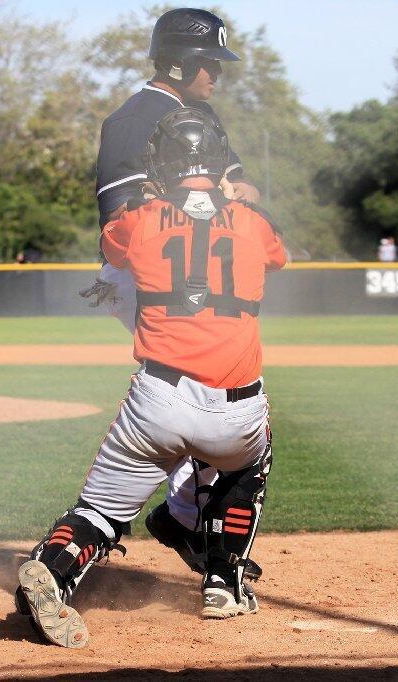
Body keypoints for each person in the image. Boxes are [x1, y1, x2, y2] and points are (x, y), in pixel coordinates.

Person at [17, 108, 286, 648]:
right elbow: (276, 256)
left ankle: (55, 565)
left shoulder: (139, 219)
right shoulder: (254, 223)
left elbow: (112, 244)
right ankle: (223, 581)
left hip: (158, 399)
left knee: (100, 510)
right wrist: (236, 200)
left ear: (160, 166)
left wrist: (148, 200)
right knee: (246, 466)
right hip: (237, 408)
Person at [83, 7, 263, 584]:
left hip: (182, 264)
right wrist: (218, 198)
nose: (217, 72)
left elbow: (245, 190)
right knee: (206, 386)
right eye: (210, 61)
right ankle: (185, 516)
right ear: (180, 60)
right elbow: (123, 217)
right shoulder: (134, 119)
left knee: (206, 388)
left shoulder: (199, 113)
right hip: (143, 273)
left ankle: (185, 516)